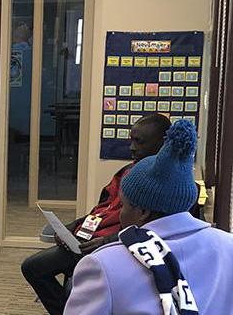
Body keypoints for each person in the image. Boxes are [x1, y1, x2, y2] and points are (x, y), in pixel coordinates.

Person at [65, 119, 233, 314]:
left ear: (142, 212)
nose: (120, 213)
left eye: (124, 206)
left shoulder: (104, 264)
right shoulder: (228, 247)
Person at [21, 113, 171, 315]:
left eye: (139, 142)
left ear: (162, 142)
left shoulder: (164, 184)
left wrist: (108, 240)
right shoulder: (126, 172)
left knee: (74, 288)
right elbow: (101, 210)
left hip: (113, 248)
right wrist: (72, 227)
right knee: (32, 267)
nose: (132, 148)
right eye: (131, 140)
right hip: (84, 241)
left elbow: (155, 231)